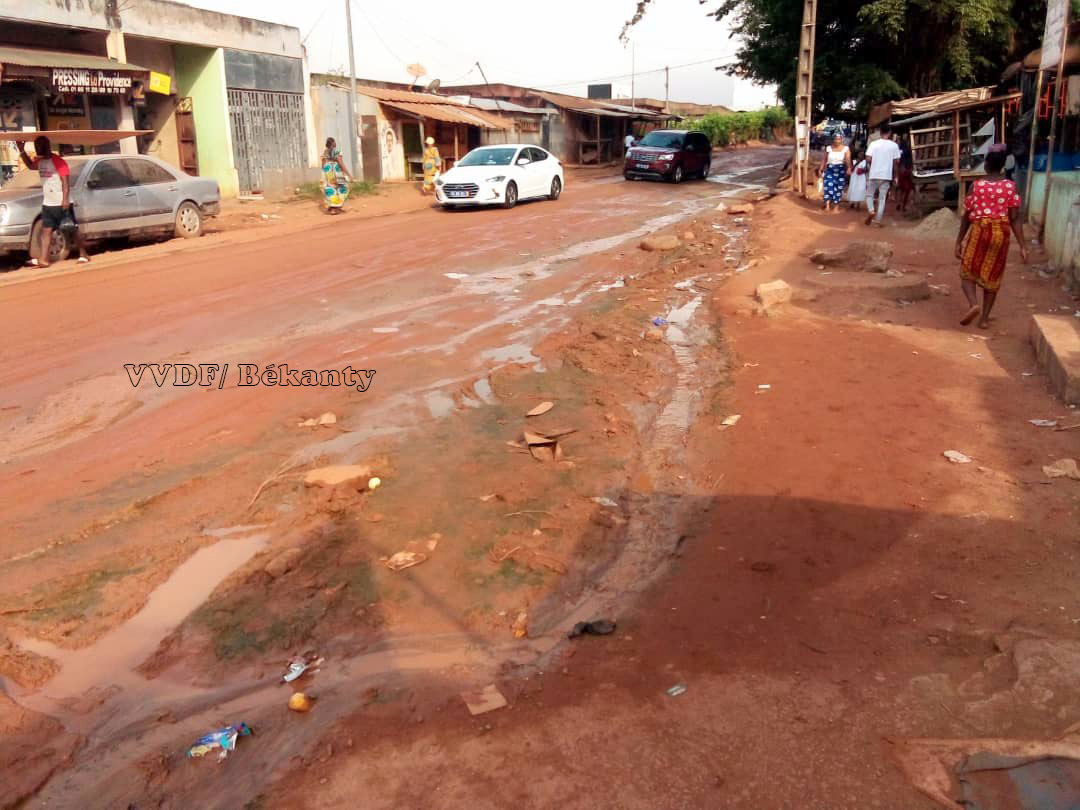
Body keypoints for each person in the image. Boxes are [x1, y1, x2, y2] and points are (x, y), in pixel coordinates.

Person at [954, 147, 1027, 329]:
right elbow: (1014, 218)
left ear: (986, 164)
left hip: (980, 229)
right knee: (993, 275)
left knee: (967, 271)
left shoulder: (976, 186)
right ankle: (984, 319)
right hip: (1001, 233)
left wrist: (959, 241)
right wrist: (1023, 245)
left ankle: (973, 304)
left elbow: (966, 216)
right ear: (1003, 166)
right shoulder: (1011, 187)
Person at [17, 135, 89, 267]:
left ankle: (83, 253)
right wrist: (22, 151)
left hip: (61, 202)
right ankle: (44, 259)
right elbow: (31, 166)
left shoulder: (58, 161)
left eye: (40, 146)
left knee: (72, 229)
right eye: (36, 146)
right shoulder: (40, 161)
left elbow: (66, 183)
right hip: (48, 203)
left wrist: (65, 200)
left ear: (47, 146)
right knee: (46, 231)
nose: (38, 148)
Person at [863, 124, 901, 226]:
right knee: (882, 199)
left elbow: (868, 159)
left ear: (880, 133)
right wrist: (896, 176)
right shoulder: (894, 145)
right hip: (886, 175)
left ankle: (871, 211)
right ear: (889, 133)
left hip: (874, 174)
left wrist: (874, 164)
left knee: (869, 195)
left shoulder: (874, 144)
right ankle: (877, 221)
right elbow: (896, 162)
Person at [817, 132, 851, 213]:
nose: (837, 141)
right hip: (829, 169)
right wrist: (820, 169)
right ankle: (827, 206)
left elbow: (848, 159)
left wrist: (849, 168)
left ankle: (836, 206)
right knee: (828, 186)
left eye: (839, 139)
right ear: (833, 139)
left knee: (838, 188)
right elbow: (824, 159)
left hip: (840, 170)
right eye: (835, 139)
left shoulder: (846, 149)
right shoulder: (828, 148)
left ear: (841, 140)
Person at [320, 137, 352, 213]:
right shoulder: (337, 150)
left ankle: (332, 207)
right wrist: (348, 174)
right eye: (335, 141)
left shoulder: (325, 152)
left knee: (330, 189)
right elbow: (340, 163)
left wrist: (324, 175)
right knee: (343, 188)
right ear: (333, 143)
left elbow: (323, 164)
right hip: (336, 170)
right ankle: (337, 207)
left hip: (327, 171)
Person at [895, 134, 915, 212]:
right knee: (905, 189)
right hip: (905, 168)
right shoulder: (906, 147)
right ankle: (902, 205)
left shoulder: (903, 148)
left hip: (904, 168)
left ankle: (901, 204)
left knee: (903, 189)